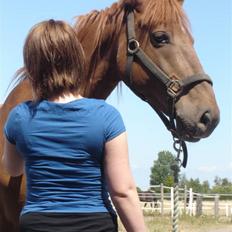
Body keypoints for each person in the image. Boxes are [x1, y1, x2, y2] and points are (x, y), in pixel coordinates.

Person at [2, 19, 146, 232]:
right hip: (95, 224)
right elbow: (122, 191)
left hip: (38, 224)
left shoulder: (20, 116)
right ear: (77, 60)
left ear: (31, 67)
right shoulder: (107, 116)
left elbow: (12, 169)